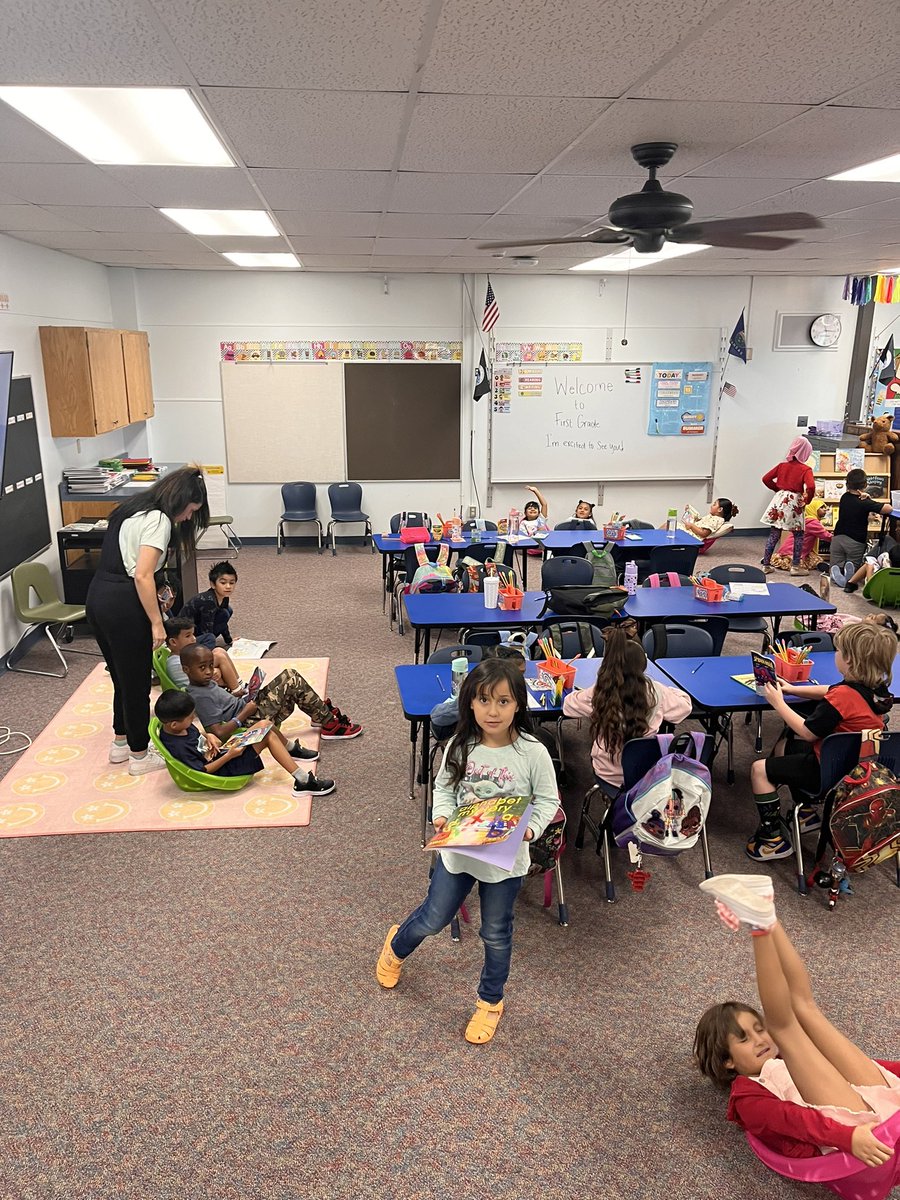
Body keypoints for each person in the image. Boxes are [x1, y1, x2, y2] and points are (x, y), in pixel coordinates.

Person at [376, 657, 558, 1045]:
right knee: (433, 917)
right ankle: (396, 945)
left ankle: (490, 1002)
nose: (493, 711)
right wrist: (441, 817)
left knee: (496, 933)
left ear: (518, 705)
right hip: (458, 853)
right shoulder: (460, 745)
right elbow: (443, 789)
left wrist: (531, 829)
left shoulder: (533, 753)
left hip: (505, 863)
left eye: (504, 702)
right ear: (470, 703)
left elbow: (547, 801)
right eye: (484, 700)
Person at [694, 874, 900, 1167]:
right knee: (785, 1026)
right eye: (744, 1039)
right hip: (853, 1139)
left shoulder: (789, 1058)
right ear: (727, 1061)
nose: (760, 1039)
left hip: (880, 1109)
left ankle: (766, 913)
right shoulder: (746, 1097)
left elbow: (870, 1068)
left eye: (757, 1029)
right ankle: (760, 925)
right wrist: (847, 1137)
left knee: (806, 1008)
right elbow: (796, 1121)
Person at [86, 464, 209, 776]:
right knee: (138, 681)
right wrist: (157, 621)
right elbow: (142, 575)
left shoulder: (130, 509)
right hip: (125, 604)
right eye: (191, 511)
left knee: (121, 677)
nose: (188, 518)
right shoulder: (158, 520)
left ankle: (120, 743)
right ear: (181, 501)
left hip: (98, 597)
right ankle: (140, 757)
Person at [745, 621, 896, 861]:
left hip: (831, 774)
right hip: (860, 768)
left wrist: (778, 703)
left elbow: (807, 733)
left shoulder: (842, 698)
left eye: (840, 651)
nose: (836, 654)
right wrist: (793, 689)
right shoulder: (878, 688)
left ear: (850, 660)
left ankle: (772, 839)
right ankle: (804, 812)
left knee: (759, 769)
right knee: (786, 744)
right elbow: (833, 690)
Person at [561, 625, 691, 786]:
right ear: (642, 666)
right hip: (645, 775)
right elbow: (685, 707)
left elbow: (568, 706)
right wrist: (667, 689)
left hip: (607, 773)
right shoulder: (657, 692)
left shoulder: (600, 692)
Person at [180, 643, 362, 752]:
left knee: (290, 676)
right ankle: (328, 722)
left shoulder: (205, 683)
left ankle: (320, 714)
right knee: (291, 679)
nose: (209, 671)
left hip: (246, 709)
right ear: (186, 670)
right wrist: (244, 713)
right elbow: (218, 733)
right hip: (247, 722)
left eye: (211, 666)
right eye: (202, 668)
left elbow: (222, 705)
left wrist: (239, 695)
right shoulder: (199, 696)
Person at [154, 689, 335, 795]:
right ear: (175, 724)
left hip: (222, 753)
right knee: (267, 736)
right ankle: (303, 781)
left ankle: (290, 749)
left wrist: (208, 736)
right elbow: (203, 770)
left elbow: (196, 737)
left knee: (264, 724)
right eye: (190, 717)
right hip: (223, 769)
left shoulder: (179, 728)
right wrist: (230, 755)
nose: (193, 719)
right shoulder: (177, 745)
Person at [759, 437, 816, 576]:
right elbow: (811, 486)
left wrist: (778, 490)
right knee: (798, 534)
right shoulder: (805, 469)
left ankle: (766, 565)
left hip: (780, 500)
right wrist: (807, 499)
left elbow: (765, 478)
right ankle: (795, 567)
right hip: (794, 500)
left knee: (774, 532)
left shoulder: (782, 466)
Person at [829, 470, 894, 587]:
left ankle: (837, 571)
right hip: (855, 541)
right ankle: (850, 573)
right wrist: (868, 498)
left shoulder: (844, 497)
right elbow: (888, 509)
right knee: (854, 564)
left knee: (836, 564)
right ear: (865, 485)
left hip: (838, 538)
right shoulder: (865, 503)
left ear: (847, 484)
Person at [163, 616, 243, 693]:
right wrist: (215, 671)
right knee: (219, 657)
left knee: (219, 651)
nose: (194, 638)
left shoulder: (184, 656)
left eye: (193, 634)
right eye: (188, 636)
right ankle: (238, 692)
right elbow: (199, 681)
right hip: (199, 692)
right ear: (173, 642)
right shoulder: (176, 663)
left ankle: (240, 685)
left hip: (201, 685)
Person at [180, 560, 237, 649]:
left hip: (197, 627)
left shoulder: (224, 597)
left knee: (227, 611)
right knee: (210, 637)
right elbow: (206, 629)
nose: (228, 586)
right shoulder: (208, 601)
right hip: (185, 636)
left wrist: (229, 640)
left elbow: (223, 621)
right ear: (213, 584)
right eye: (223, 583)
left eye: (232, 583)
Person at [772, 491, 831, 572]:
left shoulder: (805, 519)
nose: (825, 509)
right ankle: (777, 560)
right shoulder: (812, 522)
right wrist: (836, 538)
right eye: (821, 507)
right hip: (791, 550)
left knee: (815, 559)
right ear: (813, 509)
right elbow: (825, 535)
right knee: (797, 564)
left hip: (799, 550)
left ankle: (774, 558)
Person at [673, 498, 739, 539]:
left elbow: (704, 533)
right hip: (691, 532)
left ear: (720, 509)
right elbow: (700, 522)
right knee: (670, 525)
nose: (711, 506)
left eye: (714, 504)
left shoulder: (716, 520)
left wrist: (691, 526)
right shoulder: (712, 517)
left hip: (694, 537)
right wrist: (690, 511)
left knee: (670, 525)